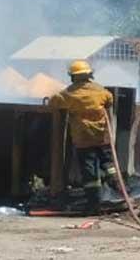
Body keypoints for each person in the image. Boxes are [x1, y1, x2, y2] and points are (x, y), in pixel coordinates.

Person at [49, 60, 116, 214]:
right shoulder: (100, 90)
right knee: (108, 163)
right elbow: (110, 99)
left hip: (83, 138)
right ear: (89, 74)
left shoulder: (69, 94)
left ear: (72, 76)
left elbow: (53, 102)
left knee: (90, 174)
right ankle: (118, 186)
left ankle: (94, 204)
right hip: (102, 136)